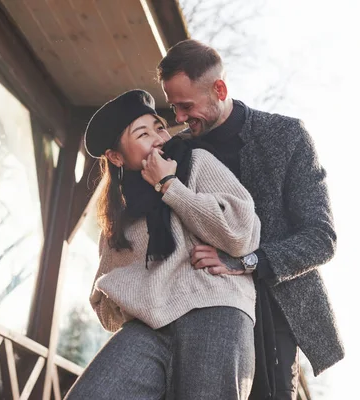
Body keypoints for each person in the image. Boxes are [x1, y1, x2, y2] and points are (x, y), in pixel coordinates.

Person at [157, 39, 345, 400]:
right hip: (192, 313)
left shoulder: (286, 136)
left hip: (273, 314)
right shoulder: (175, 151)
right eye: (173, 107)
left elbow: (321, 238)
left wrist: (243, 262)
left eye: (186, 106)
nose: (179, 118)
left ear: (220, 89)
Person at [64, 89, 261, 400]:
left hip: (213, 311)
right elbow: (107, 303)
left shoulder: (195, 162)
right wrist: (133, 295)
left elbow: (242, 233)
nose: (158, 138)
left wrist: (169, 185)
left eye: (159, 128)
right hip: (150, 326)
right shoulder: (119, 210)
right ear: (116, 156)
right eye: (143, 134)